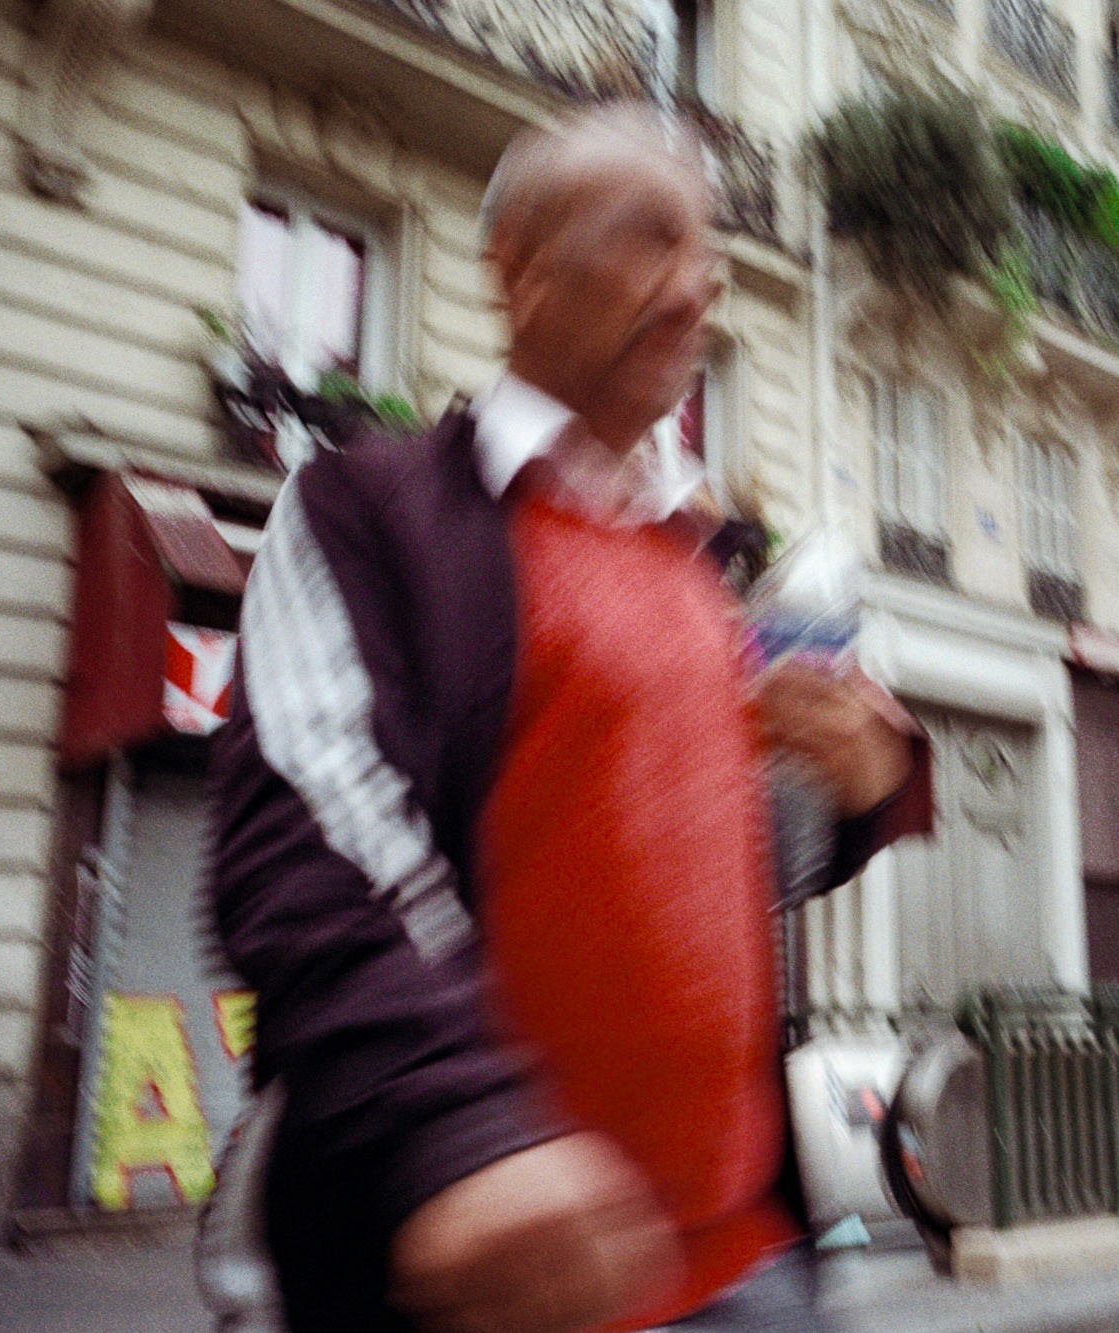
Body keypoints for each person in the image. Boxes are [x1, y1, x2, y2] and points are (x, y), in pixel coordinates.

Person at [206, 105, 930, 1333]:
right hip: (483, 1281)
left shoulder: (699, 562)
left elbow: (717, 869)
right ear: (518, 270)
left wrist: (858, 790)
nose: (697, 286)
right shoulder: (370, 509)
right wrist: (456, 1132)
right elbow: (310, 848)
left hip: (747, 1264)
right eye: (652, 237)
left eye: (708, 254)